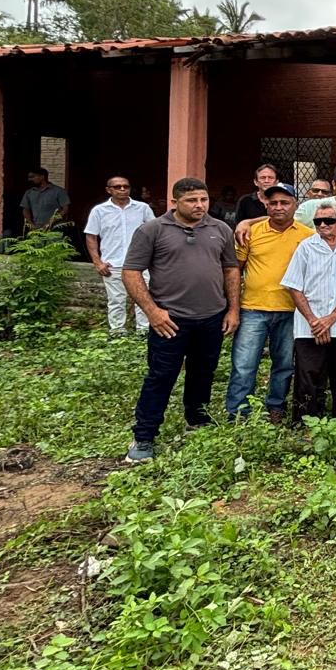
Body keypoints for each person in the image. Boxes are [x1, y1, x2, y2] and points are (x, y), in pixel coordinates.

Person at [121, 177, 240, 463]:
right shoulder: (152, 230)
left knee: (203, 372)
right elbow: (131, 272)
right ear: (175, 202)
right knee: (160, 377)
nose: (200, 205)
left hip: (211, 318)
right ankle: (144, 436)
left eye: (203, 199)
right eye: (192, 200)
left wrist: (233, 309)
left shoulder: (220, 229)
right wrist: (152, 311)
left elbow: (231, 269)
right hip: (170, 320)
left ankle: (196, 419)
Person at [224, 182, 313, 423]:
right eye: (273, 203)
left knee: (284, 364)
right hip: (253, 308)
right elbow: (235, 269)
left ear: (295, 205)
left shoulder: (308, 236)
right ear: (266, 205)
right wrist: (233, 307)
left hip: (291, 310)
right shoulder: (251, 232)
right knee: (244, 364)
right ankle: (238, 413)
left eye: (285, 202)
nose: (279, 207)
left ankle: (276, 407)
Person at [282, 200, 336, 421]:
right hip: (309, 326)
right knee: (307, 376)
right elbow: (294, 286)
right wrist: (315, 321)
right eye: (318, 221)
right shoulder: (305, 247)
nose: (322, 225)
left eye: (328, 221)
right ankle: (305, 422)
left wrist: (330, 319)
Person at [83, 175, 155, 336]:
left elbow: (154, 232)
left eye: (125, 186)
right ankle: (117, 331)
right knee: (116, 299)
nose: (122, 189)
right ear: (108, 190)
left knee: (144, 296)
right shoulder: (99, 211)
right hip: (112, 263)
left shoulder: (142, 208)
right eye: (117, 187)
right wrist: (97, 262)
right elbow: (91, 236)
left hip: (140, 263)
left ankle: (144, 330)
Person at [21, 167, 69, 231]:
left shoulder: (58, 191)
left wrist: (50, 222)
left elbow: (65, 209)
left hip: (55, 228)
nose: (30, 179)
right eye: (29, 177)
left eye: (32, 177)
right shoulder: (29, 192)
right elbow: (25, 209)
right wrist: (30, 224)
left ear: (42, 176)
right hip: (36, 229)